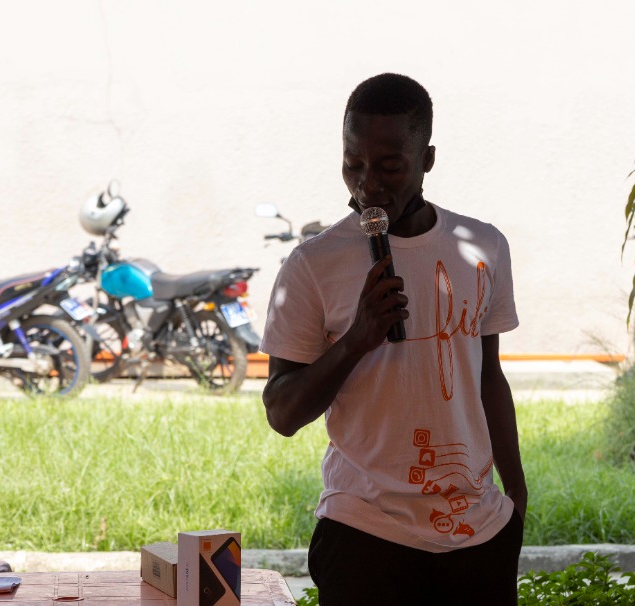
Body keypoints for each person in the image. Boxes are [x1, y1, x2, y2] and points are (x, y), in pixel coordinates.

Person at [259, 73, 527, 605]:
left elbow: (487, 376)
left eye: (389, 167)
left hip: (478, 533)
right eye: (353, 165)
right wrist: (357, 338)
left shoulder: (483, 247)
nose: (368, 186)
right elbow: (282, 413)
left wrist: (515, 497)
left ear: (427, 160)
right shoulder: (313, 264)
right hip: (365, 534)